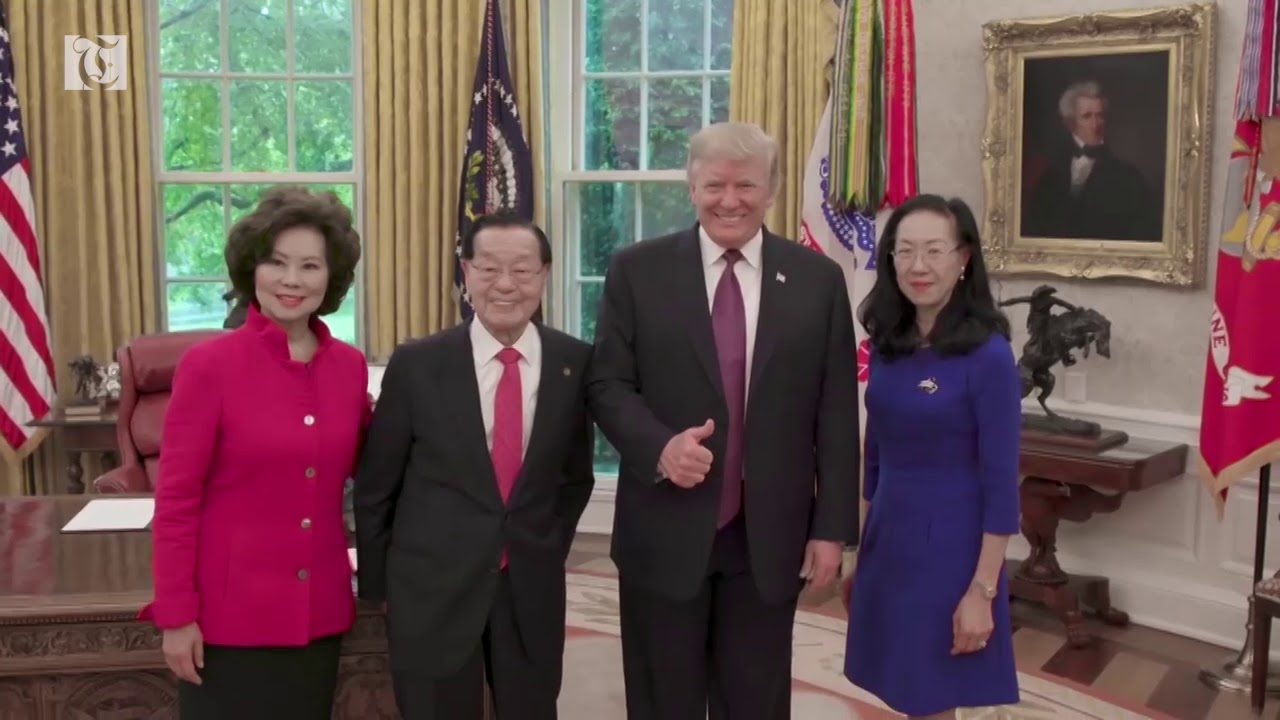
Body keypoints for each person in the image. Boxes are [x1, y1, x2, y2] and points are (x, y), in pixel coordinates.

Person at [588, 121, 861, 720]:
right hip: (663, 526)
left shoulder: (817, 281)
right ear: (691, 187)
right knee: (663, 702)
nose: (729, 200)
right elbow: (607, 384)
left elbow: (837, 411)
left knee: (756, 700)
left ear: (772, 191)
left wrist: (831, 529)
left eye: (746, 185)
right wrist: (660, 447)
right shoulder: (637, 270)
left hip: (769, 535)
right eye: (714, 185)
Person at [353, 212, 595, 720]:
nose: (505, 284)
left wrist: (546, 544)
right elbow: (377, 486)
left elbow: (574, 477)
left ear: (545, 274)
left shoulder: (574, 362)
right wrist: (379, 586)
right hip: (431, 587)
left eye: (522, 270)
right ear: (465, 273)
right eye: (488, 269)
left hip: (529, 583)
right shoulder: (418, 364)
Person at [142, 186, 368, 719]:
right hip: (227, 623)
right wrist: (176, 615)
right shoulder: (208, 366)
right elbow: (176, 501)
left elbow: (372, 468)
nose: (292, 280)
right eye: (276, 262)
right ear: (252, 269)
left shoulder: (349, 367)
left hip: (318, 618)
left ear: (331, 277)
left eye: (310, 266)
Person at [842, 193, 1021, 718]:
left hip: (952, 550)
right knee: (902, 687)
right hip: (888, 540)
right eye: (905, 251)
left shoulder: (989, 356)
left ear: (963, 258)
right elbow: (874, 459)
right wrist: (858, 552)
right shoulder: (887, 345)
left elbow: (1001, 483)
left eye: (934, 251)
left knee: (934, 694)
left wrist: (982, 591)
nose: (918, 266)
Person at [1021, 80, 1161, 241]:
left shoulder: (1128, 177)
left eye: (1099, 116)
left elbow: (1142, 234)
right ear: (1070, 123)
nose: (1095, 124)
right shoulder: (1051, 175)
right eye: (1087, 116)